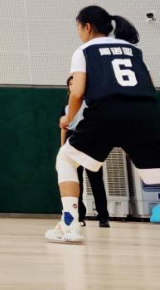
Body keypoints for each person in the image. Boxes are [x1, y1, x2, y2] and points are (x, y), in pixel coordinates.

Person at [46, 6, 160, 244]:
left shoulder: (84, 50)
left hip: (107, 111)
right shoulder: (134, 50)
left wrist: (69, 119)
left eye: (78, 27)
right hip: (145, 112)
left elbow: (77, 92)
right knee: (154, 174)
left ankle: (70, 224)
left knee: (66, 159)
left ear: (87, 27)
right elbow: (149, 83)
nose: (79, 32)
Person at [60, 76, 110, 228]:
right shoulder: (66, 108)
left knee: (96, 181)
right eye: (70, 84)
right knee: (76, 181)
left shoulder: (91, 103)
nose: (72, 86)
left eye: (75, 83)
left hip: (89, 140)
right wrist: (62, 147)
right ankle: (79, 216)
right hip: (72, 139)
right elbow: (64, 129)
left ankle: (103, 217)